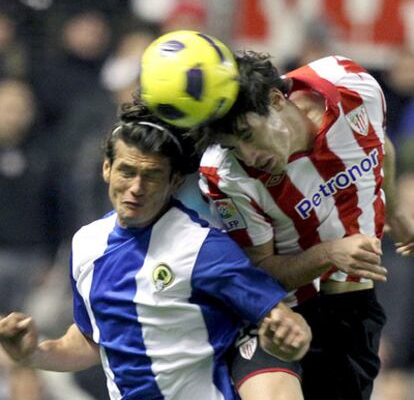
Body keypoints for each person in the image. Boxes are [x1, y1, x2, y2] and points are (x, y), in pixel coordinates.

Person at [0, 105, 312, 400]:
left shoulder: (204, 248)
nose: (136, 187)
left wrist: (290, 336)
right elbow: (91, 342)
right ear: (106, 169)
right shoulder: (86, 243)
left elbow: (283, 319)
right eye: (127, 171)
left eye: (151, 176)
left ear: (174, 181)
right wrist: (30, 353)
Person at [190, 50, 413, 400]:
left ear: (277, 100)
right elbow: (262, 271)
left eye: (248, 135)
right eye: (234, 147)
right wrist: (329, 253)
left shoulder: (352, 85)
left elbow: (377, 144)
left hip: (352, 307)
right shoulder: (227, 174)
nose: (249, 157)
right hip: (279, 312)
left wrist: (395, 212)